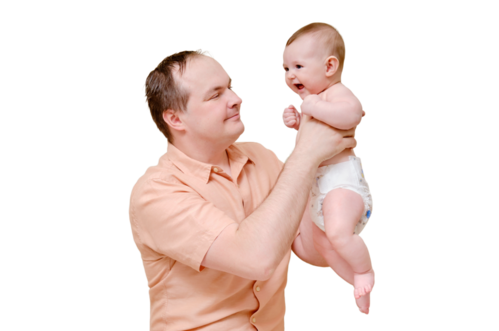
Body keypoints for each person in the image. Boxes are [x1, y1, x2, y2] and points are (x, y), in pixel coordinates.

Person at [129, 46, 362, 330]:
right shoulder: (154, 193)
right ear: (175, 119)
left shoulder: (261, 156)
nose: (236, 99)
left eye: (230, 86)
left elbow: (310, 252)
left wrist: (334, 181)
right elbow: (256, 259)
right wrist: (305, 154)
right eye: (215, 95)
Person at [281, 21, 374, 316]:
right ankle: (355, 285)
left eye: (297, 66)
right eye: (285, 69)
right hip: (319, 188)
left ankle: (364, 271)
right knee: (326, 246)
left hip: (342, 184)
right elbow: (312, 141)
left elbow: (351, 116)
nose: (290, 74)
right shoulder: (312, 102)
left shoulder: (338, 93)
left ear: (330, 66)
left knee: (337, 232)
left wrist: (312, 108)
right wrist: (297, 123)